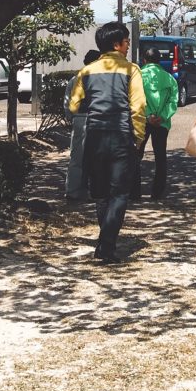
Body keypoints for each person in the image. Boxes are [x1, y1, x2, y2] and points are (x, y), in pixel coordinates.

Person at [66, 22, 146, 263]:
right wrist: (139, 137)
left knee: (100, 194)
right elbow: (138, 107)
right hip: (121, 135)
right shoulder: (131, 69)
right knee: (119, 193)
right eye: (126, 40)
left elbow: (73, 106)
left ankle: (106, 242)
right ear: (116, 44)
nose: (128, 43)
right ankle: (107, 245)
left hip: (94, 135)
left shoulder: (86, 71)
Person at [138, 47, 179, 202]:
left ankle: (134, 192)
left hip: (142, 120)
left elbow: (136, 99)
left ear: (144, 60)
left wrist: (148, 115)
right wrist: (162, 116)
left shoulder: (139, 76)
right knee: (160, 156)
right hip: (162, 123)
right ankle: (157, 193)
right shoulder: (169, 78)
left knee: (136, 155)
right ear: (159, 61)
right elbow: (173, 101)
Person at [64, 48, 103, 205]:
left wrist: (70, 118)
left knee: (76, 158)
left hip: (79, 119)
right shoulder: (100, 79)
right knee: (96, 158)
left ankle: (72, 191)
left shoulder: (75, 79)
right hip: (96, 119)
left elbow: (68, 102)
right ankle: (94, 191)